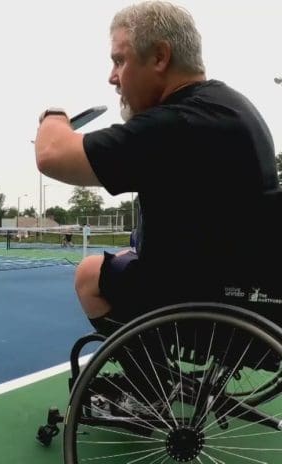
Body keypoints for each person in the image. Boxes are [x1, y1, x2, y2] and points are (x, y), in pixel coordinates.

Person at [34, 1, 279, 335]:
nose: (112, 77)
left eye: (120, 61)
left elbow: (51, 154)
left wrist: (54, 117)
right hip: (247, 293)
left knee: (89, 275)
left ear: (160, 57)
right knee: (126, 254)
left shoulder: (175, 124)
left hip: (201, 300)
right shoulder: (226, 106)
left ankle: (150, 383)